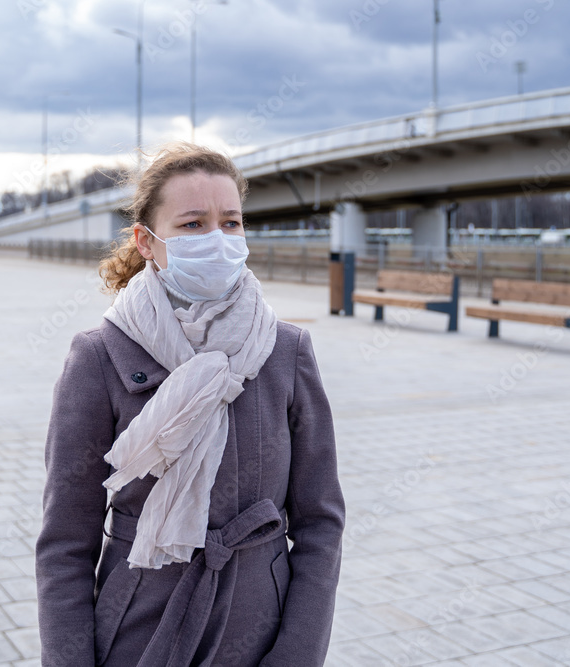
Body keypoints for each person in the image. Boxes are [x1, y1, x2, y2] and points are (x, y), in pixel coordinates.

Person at [35, 142, 346, 667]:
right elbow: (65, 543)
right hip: (139, 628)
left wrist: (297, 653)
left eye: (231, 222)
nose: (218, 240)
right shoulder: (99, 356)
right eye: (194, 225)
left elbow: (321, 522)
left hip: (258, 628)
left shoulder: (285, 351)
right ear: (146, 241)